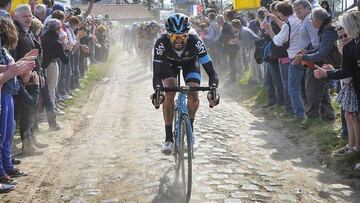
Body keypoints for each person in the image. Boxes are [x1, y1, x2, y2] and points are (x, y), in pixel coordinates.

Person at [151, 13, 220, 155]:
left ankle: (190, 134)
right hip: (168, 64)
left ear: (188, 34)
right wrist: (158, 92)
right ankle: (169, 138)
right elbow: (156, 75)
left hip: (190, 62)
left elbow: (212, 72)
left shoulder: (196, 41)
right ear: (167, 35)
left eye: (182, 36)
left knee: (193, 92)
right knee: (169, 90)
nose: (178, 40)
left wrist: (213, 90)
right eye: (174, 36)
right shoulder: (161, 42)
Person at [315, 10, 360, 154]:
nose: (344, 35)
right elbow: (346, 69)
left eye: (345, 30)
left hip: (353, 84)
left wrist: (326, 73)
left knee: (352, 116)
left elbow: (347, 71)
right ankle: (352, 145)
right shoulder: (348, 45)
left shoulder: (351, 45)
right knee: (348, 115)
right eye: (341, 35)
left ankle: (356, 147)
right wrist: (330, 70)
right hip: (351, 84)